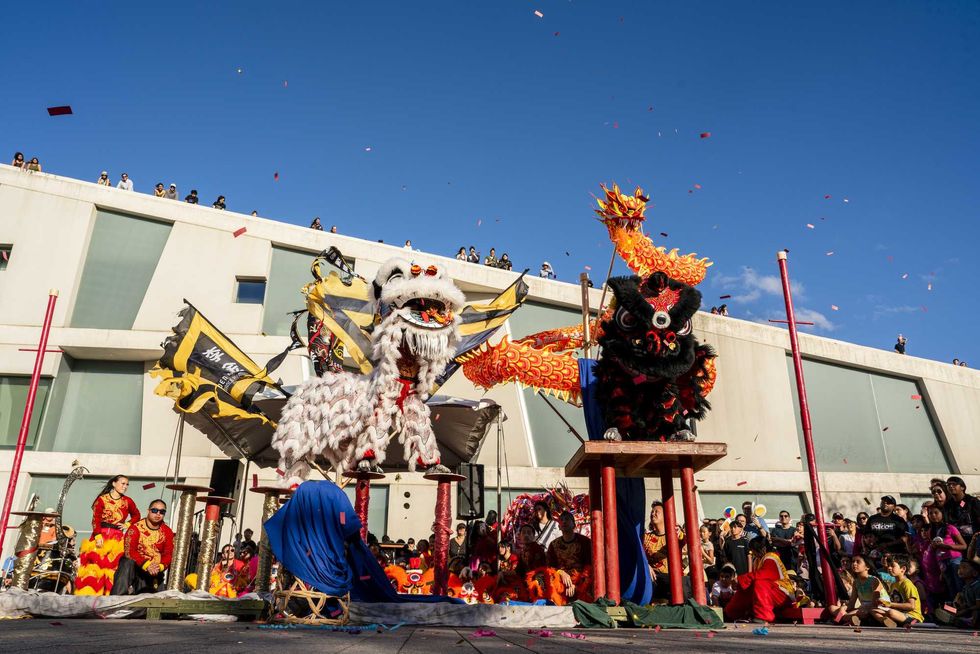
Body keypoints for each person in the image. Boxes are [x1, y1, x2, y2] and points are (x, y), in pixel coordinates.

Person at [74, 475, 141, 595]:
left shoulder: (128, 501)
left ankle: (111, 595)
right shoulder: (102, 499)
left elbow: (137, 515)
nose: (125, 487)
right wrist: (97, 536)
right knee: (95, 567)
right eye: (122, 483)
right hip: (102, 535)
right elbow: (96, 519)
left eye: (127, 484)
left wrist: (127, 524)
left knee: (114, 568)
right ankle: (91, 597)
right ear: (114, 484)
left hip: (118, 538)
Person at [724, 537, 795, 623]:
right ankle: (731, 613)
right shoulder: (757, 560)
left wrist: (741, 580)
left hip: (783, 594)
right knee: (746, 588)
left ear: (763, 549)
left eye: (753, 550)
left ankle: (764, 616)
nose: (752, 553)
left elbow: (763, 575)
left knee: (760, 583)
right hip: (771, 592)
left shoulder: (771, 558)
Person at [110, 499, 174, 595]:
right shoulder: (135, 528)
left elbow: (168, 554)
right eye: (154, 510)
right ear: (148, 511)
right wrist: (146, 565)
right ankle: (116, 601)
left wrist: (159, 567)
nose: (158, 514)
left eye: (162, 512)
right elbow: (129, 552)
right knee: (126, 562)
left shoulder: (167, 531)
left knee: (152, 603)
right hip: (136, 568)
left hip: (154, 572)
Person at [534, 511, 592, 605]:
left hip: (581, 579)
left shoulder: (584, 542)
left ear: (574, 525)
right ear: (559, 527)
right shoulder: (553, 544)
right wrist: (561, 573)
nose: (564, 522)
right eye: (562, 520)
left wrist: (576, 585)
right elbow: (550, 567)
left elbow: (589, 566)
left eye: (567, 519)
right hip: (560, 578)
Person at [831, 553, 890, 626]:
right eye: (853, 561)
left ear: (867, 567)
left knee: (852, 614)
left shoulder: (874, 580)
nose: (854, 564)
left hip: (877, 608)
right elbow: (852, 603)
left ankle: (842, 619)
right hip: (863, 608)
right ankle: (849, 619)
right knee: (832, 608)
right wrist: (844, 608)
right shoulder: (856, 582)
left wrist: (855, 610)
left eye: (858, 562)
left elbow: (875, 603)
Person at [644, 501, 687, 595]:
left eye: (656, 511)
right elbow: (639, 555)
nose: (653, 514)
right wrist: (646, 566)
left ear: (666, 515)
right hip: (653, 577)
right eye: (652, 512)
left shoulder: (674, 534)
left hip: (671, 578)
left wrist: (679, 533)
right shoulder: (646, 537)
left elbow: (683, 540)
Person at [872, 554, 923, 628]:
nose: (889, 568)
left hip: (913, 617)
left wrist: (890, 604)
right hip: (899, 614)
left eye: (892, 566)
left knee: (891, 612)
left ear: (903, 569)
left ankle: (892, 622)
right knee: (873, 610)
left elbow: (911, 606)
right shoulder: (893, 584)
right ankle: (888, 622)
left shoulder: (907, 583)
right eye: (889, 565)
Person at [944, 476, 980, 540]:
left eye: (954, 484)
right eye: (948, 484)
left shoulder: (973, 501)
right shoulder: (948, 505)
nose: (951, 486)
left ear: (962, 487)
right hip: (956, 540)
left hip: (974, 538)